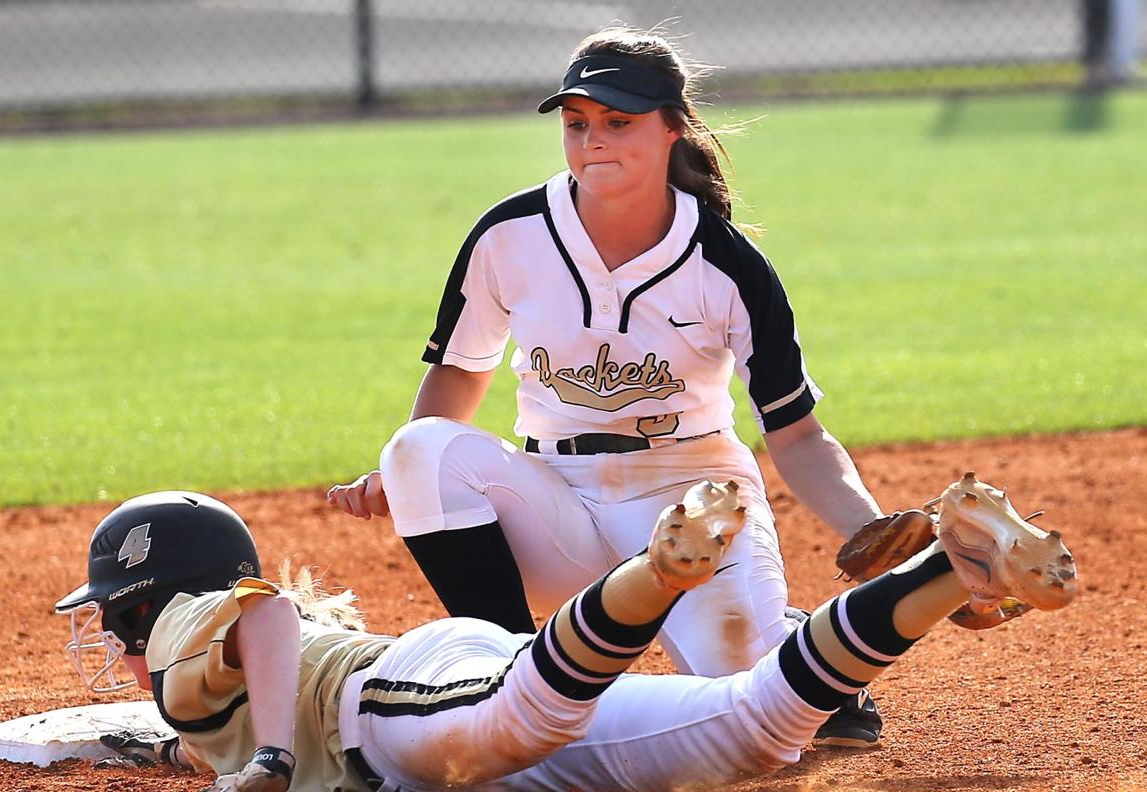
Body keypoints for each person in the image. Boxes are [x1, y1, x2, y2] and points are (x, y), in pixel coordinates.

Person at [329, 26, 891, 745]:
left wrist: (875, 534)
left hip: (690, 494)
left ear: (672, 128)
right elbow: (461, 368)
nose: (593, 140)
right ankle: (511, 684)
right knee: (416, 449)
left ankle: (786, 640)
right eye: (577, 123)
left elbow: (798, 435)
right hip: (555, 500)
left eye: (618, 121)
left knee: (751, 717)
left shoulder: (727, 265)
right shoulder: (510, 234)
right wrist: (403, 478)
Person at [56, 474, 1077, 792]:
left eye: (112, 612)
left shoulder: (188, 636)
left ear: (151, 603)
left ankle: (655, 573)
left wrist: (273, 759)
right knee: (759, 727)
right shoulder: (200, 700)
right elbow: (245, 674)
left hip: (397, 698)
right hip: (451, 712)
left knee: (516, 707)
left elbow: (269, 611)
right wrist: (210, 751)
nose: (107, 633)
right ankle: (949, 566)